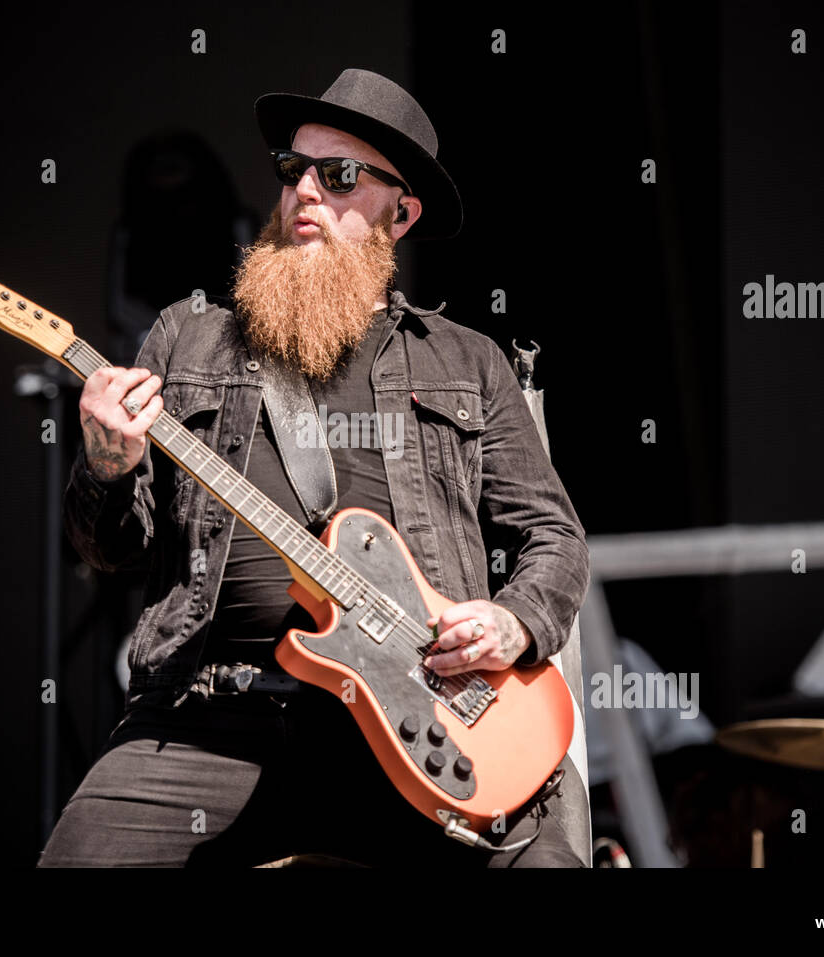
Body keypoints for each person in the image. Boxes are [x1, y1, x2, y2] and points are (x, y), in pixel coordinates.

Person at [38, 69, 591, 867]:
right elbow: (110, 549)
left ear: (401, 214)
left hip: (420, 718)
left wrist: (512, 623)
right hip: (209, 719)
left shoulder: (468, 362)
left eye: (339, 176)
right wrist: (107, 464)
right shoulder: (190, 339)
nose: (304, 192)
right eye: (292, 169)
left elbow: (554, 537)